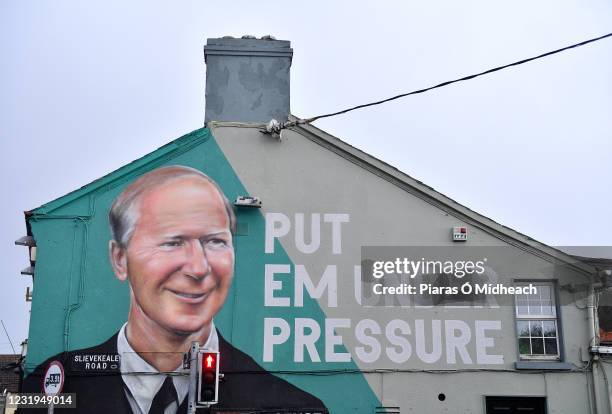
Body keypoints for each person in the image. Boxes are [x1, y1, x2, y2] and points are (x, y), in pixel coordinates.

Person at [21, 165, 326, 414]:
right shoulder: (50, 385)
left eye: (215, 241)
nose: (198, 267)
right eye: (171, 242)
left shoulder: (291, 404)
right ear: (119, 258)